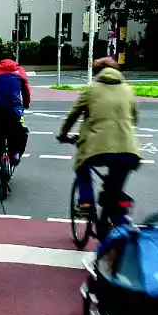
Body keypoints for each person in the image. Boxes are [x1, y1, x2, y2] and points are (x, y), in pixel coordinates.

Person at [57, 57, 141, 222]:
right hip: (128, 150)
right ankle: (122, 219)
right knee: (114, 189)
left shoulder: (91, 89)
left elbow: (73, 115)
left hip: (97, 148)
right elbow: (135, 119)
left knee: (82, 166)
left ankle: (87, 204)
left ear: (96, 72)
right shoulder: (127, 89)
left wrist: (63, 134)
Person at [0, 54, 31, 182]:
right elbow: (26, 91)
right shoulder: (20, 72)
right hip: (16, 110)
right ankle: (16, 153)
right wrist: (26, 103)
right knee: (21, 132)